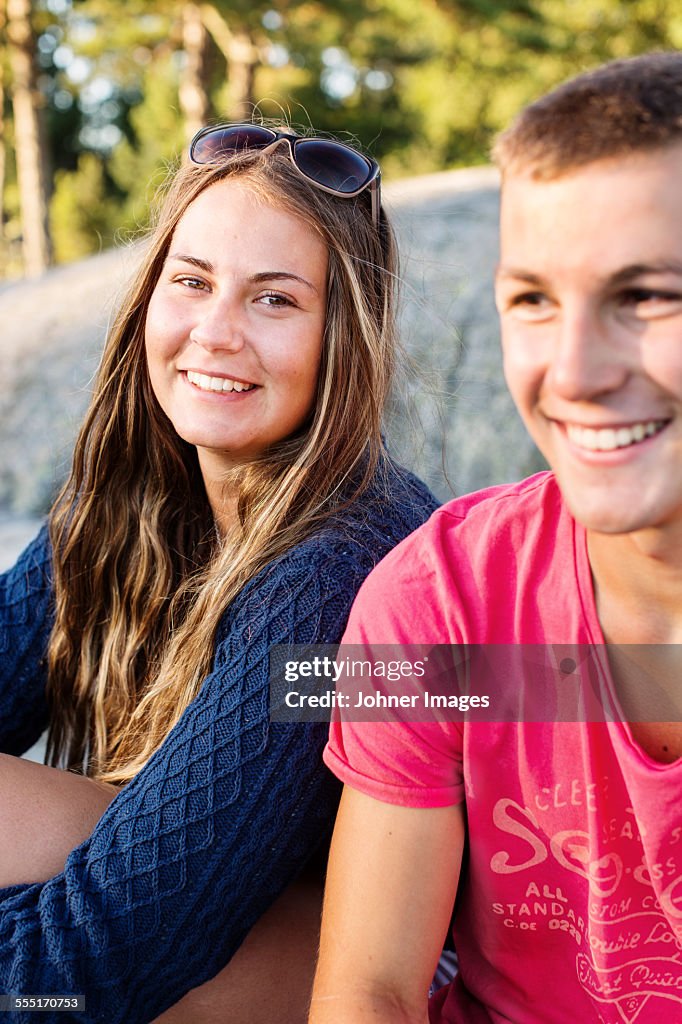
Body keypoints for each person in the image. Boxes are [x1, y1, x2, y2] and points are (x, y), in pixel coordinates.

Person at [0, 122, 438, 1023]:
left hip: (331, 975)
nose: (216, 331)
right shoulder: (127, 500)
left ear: (342, 335)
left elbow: (98, 961)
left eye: (275, 301)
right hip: (169, 919)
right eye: (192, 281)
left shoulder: (341, 568)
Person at [310, 51, 682, 1024]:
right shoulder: (436, 601)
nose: (574, 371)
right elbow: (371, 988)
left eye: (645, 295)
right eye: (531, 299)